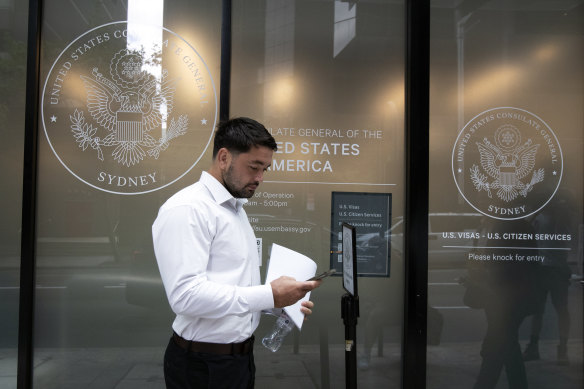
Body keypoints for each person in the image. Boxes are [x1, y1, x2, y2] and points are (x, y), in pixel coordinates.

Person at [152, 117, 321, 389]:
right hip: (202, 367)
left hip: (236, 361)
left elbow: (232, 287)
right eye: (254, 167)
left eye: (265, 168)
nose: (260, 178)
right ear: (223, 157)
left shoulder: (233, 208)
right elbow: (186, 296)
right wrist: (269, 293)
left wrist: (278, 303)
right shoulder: (188, 209)